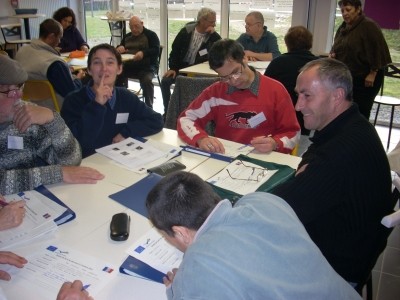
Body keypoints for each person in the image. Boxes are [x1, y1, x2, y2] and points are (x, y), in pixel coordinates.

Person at [272, 58, 394, 286]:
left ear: (337, 96)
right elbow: (314, 149)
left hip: (335, 266)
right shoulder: (353, 125)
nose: (298, 106)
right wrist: (307, 171)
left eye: (307, 95)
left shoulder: (340, 153)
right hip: (353, 244)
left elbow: (280, 208)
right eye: (298, 95)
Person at [145, 171, 361, 300]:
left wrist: (178, 289)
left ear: (181, 232)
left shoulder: (199, 264)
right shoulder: (263, 200)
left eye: (166, 237)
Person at [0, 54, 104, 195]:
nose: (18, 95)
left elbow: (71, 162)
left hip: (27, 204)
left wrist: (53, 119)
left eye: (19, 87)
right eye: (8, 90)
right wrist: (56, 173)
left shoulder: (25, 115)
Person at [177, 39, 300, 154]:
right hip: (226, 155)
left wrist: (275, 143)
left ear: (245, 58)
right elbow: (186, 119)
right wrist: (200, 138)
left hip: (264, 156)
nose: (233, 81)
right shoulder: (216, 92)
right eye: (225, 77)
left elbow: (293, 132)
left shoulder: (275, 90)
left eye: (236, 72)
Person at [61, 43, 164, 158]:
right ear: (89, 70)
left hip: (119, 161)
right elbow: (79, 144)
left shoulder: (125, 97)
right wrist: (97, 105)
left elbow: (156, 120)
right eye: (97, 63)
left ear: (119, 69)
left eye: (110, 62)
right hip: (88, 165)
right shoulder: (73, 101)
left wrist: (126, 132)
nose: (104, 69)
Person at [330, 0, 391, 120]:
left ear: (358, 9)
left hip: (367, 78)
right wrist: (333, 54)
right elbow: (338, 46)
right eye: (342, 11)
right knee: (346, 111)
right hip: (349, 77)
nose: (345, 13)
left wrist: (373, 72)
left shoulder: (368, 26)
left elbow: (377, 49)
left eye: (348, 10)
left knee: (361, 112)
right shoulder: (344, 27)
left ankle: (360, 137)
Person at [265, 25, 318, 155]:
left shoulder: (277, 63)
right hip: (309, 121)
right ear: (310, 44)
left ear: (287, 44)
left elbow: (264, 90)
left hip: (280, 122)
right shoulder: (319, 66)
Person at [160, 7, 221, 115]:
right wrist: (173, 68)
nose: (214, 24)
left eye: (214, 22)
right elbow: (175, 51)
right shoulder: (186, 32)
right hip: (180, 68)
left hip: (198, 70)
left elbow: (220, 49)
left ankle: (197, 112)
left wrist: (213, 35)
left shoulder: (212, 37)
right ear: (202, 20)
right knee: (165, 81)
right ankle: (168, 111)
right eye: (212, 22)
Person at [15, 18, 84, 109]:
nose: (59, 42)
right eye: (59, 37)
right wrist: (78, 79)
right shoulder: (55, 64)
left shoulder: (21, 51)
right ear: (51, 36)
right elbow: (72, 94)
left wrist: (65, 72)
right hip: (55, 108)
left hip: (29, 104)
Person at [115, 16, 160, 108]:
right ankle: (121, 101)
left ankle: (148, 107)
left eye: (136, 26)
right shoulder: (127, 37)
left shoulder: (151, 35)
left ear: (142, 24)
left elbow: (156, 50)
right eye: (132, 27)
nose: (134, 29)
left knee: (147, 80)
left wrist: (143, 53)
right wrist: (119, 48)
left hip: (147, 66)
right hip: (130, 66)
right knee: (116, 74)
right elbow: (119, 48)